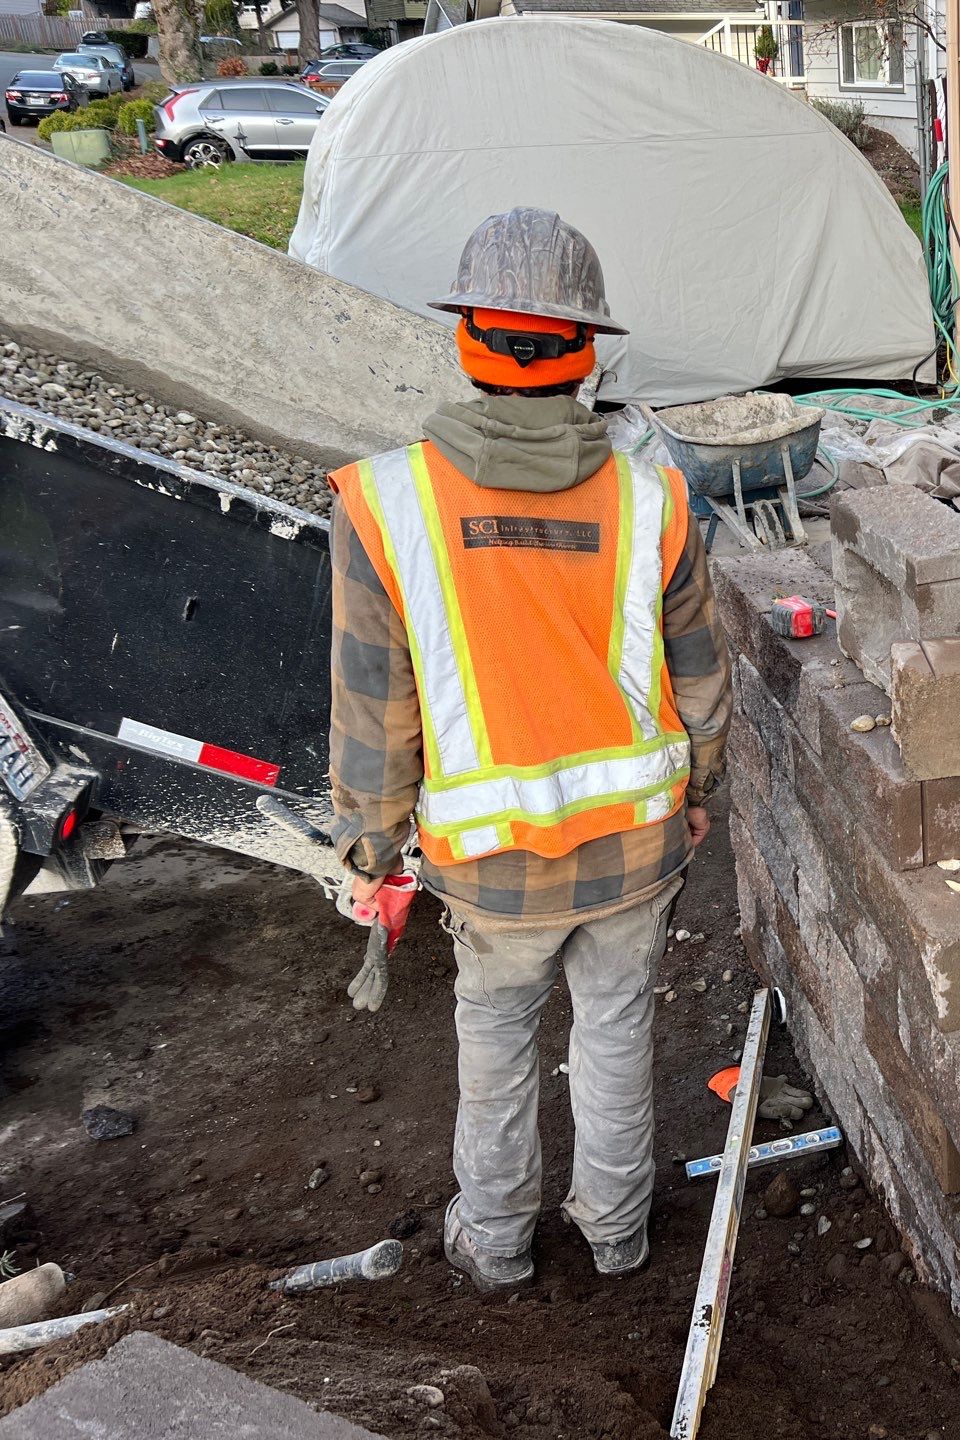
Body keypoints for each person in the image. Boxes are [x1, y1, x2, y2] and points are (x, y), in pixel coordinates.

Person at [326, 207, 732, 1291]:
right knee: (612, 1035)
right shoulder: (655, 498)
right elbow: (700, 677)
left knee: (496, 1049)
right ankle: (616, 1234)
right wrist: (705, 795)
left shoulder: (388, 502)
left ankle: (497, 1245)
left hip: (491, 869)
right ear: (585, 353)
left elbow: (376, 705)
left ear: (468, 342)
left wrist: (370, 850)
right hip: (635, 851)